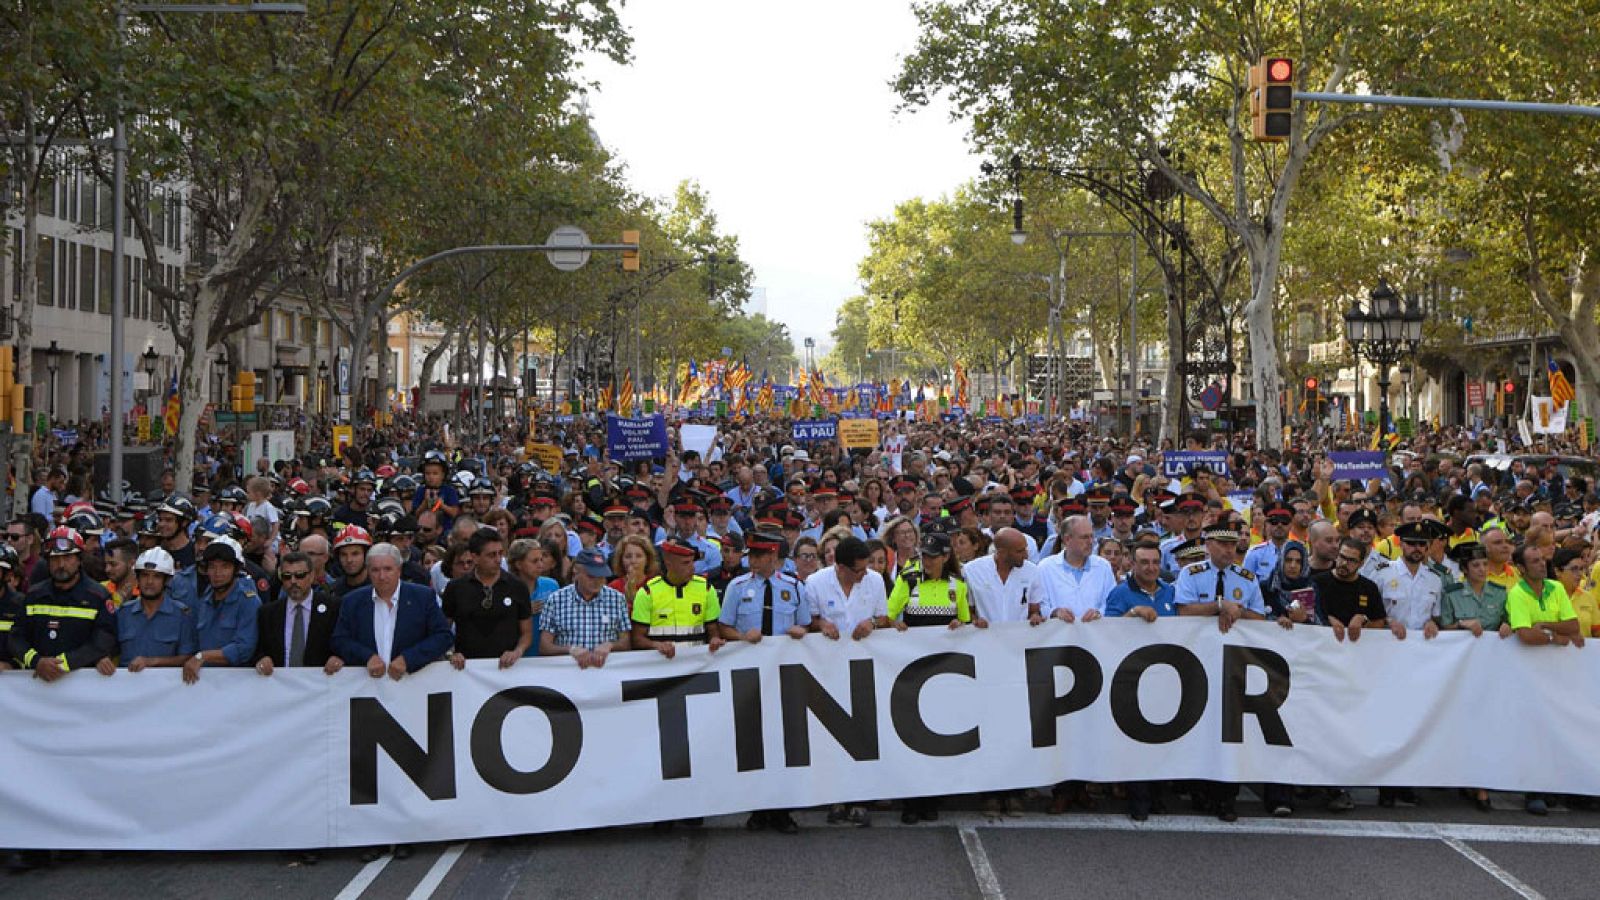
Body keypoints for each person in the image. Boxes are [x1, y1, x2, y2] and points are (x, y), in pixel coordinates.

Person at [332, 542, 454, 862]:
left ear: (399, 570)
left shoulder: (423, 597)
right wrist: (366, 656)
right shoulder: (352, 602)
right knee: (367, 772)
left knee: (404, 772)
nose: (381, 576)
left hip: (410, 694)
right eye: (375, 570)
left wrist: (408, 659)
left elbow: (443, 636)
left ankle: (403, 834)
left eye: (388, 569)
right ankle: (370, 836)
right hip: (368, 697)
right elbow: (340, 639)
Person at [1172, 522, 1265, 821]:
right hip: (1199, 660)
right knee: (1200, 724)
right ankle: (1200, 791)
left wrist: (1238, 610)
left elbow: (1260, 619)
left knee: (1230, 729)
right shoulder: (1191, 573)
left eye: (1232, 544)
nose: (1228, 550)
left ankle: (1227, 797)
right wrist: (1220, 605)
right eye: (1222, 544)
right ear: (1208, 545)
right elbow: (1184, 611)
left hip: (1235, 662)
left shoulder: (1246, 578)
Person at [719, 531, 809, 834]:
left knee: (785, 741)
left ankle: (783, 810)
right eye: (751, 556)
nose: (752, 561)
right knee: (754, 742)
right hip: (750, 676)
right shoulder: (737, 587)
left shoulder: (794, 587)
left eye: (758, 556)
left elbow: (806, 623)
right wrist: (743, 637)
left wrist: (801, 630)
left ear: (772, 557)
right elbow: (724, 626)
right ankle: (758, 807)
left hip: (785, 674)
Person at [887, 530, 979, 825]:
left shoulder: (958, 585)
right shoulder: (908, 579)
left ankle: (932, 797)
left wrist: (958, 624)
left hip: (944, 670)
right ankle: (911, 801)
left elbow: (964, 622)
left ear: (945, 557)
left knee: (939, 733)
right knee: (912, 734)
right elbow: (888, 614)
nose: (926, 561)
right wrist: (896, 625)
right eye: (924, 555)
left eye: (932, 556)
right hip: (911, 668)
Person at [807, 536, 894, 826]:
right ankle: (835, 797)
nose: (864, 574)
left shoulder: (875, 581)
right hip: (827, 669)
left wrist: (872, 623)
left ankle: (860, 797)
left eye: (866, 568)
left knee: (864, 733)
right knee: (831, 735)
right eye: (857, 570)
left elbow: (884, 618)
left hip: (864, 668)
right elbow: (808, 620)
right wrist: (821, 624)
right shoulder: (816, 583)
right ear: (839, 566)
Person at [1505, 542, 1584, 815]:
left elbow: (1573, 626)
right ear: (1521, 568)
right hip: (1528, 673)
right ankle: (1533, 790)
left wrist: (1547, 627)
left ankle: (1554, 785)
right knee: (1533, 730)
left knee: (1558, 726)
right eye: (1535, 561)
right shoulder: (1517, 593)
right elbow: (1525, 634)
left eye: (1542, 560)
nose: (1542, 564)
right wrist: (1555, 637)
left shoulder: (1556, 588)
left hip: (1557, 672)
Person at [1103, 541, 1177, 820]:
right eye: (1144, 562)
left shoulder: (1170, 591)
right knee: (1137, 742)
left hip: (1166, 677)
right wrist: (1133, 614)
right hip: (1131, 677)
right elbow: (1107, 633)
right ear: (1131, 564)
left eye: (1155, 562)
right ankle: (1139, 799)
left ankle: (1157, 795)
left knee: (1162, 739)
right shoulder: (1120, 593)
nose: (1150, 568)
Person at [96, 547, 198, 680]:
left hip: (166, 691)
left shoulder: (182, 614)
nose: (149, 582)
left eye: (156, 576)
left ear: (166, 580)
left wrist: (151, 662)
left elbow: (188, 657)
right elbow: (107, 648)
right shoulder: (122, 613)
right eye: (145, 575)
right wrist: (102, 659)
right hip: (124, 690)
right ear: (137, 578)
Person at [443, 527, 532, 669]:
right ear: (475, 557)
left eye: (500, 553)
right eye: (491, 555)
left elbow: (526, 633)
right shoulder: (456, 588)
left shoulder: (517, 586)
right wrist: (450, 653)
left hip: (508, 669)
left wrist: (517, 652)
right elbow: (443, 630)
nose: (498, 560)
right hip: (466, 671)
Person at [631, 537, 727, 658]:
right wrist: (656, 645)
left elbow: (713, 630)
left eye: (693, 562)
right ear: (669, 564)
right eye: (686, 563)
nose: (692, 568)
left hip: (697, 666)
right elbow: (637, 639)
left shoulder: (706, 588)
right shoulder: (647, 592)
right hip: (662, 665)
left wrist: (715, 640)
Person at [254, 550, 343, 676]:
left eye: (300, 575)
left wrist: (338, 658)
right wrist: (262, 659)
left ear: (312, 576)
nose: (293, 581)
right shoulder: (268, 613)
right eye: (286, 576)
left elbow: (343, 643)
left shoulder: (333, 607)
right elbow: (257, 648)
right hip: (280, 685)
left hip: (322, 684)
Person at [539, 548, 632, 666]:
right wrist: (570, 649)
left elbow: (626, 642)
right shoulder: (556, 600)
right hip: (568, 673)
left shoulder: (617, 599)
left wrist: (610, 645)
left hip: (607, 674)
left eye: (602, 576)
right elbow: (544, 647)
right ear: (576, 571)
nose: (597, 581)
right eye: (591, 576)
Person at [187, 536, 262, 681]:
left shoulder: (248, 601)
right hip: (203, 680)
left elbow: (244, 649)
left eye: (224, 566)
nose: (217, 573)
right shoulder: (205, 599)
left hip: (236, 682)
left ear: (236, 569)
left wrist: (203, 656)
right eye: (212, 566)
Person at [1034, 515, 1116, 624]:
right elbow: (1040, 603)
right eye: (1084, 537)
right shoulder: (1045, 567)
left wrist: (1099, 613)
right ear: (1067, 539)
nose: (1091, 541)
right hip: (1059, 636)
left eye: (1092, 536)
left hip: (1095, 635)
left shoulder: (1103, 566)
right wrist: (1054, 612)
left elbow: (1112, 601)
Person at [1372, 520, 1445, 642]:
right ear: (1401, 544)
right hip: (1388, 641)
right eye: (1411, 543)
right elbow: (1369, 612)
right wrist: (1388, 621)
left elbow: (1436, 614)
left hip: (1422, 644)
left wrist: (1432, 622)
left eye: (1421, 544)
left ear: (1427, 547)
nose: (1417, 548)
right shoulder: (1382, 574)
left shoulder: (1434, 579)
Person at [963, 528, 1040, 631]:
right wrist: (975, 621)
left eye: (1025, 549)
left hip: (1020, 639)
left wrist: (1035, 617)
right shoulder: (971, 570)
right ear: (1002, 552)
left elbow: (1034, 610)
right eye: (1019, 551)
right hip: (983, 639)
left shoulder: (1032, 570)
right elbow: (967, 611)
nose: (1026, 555)